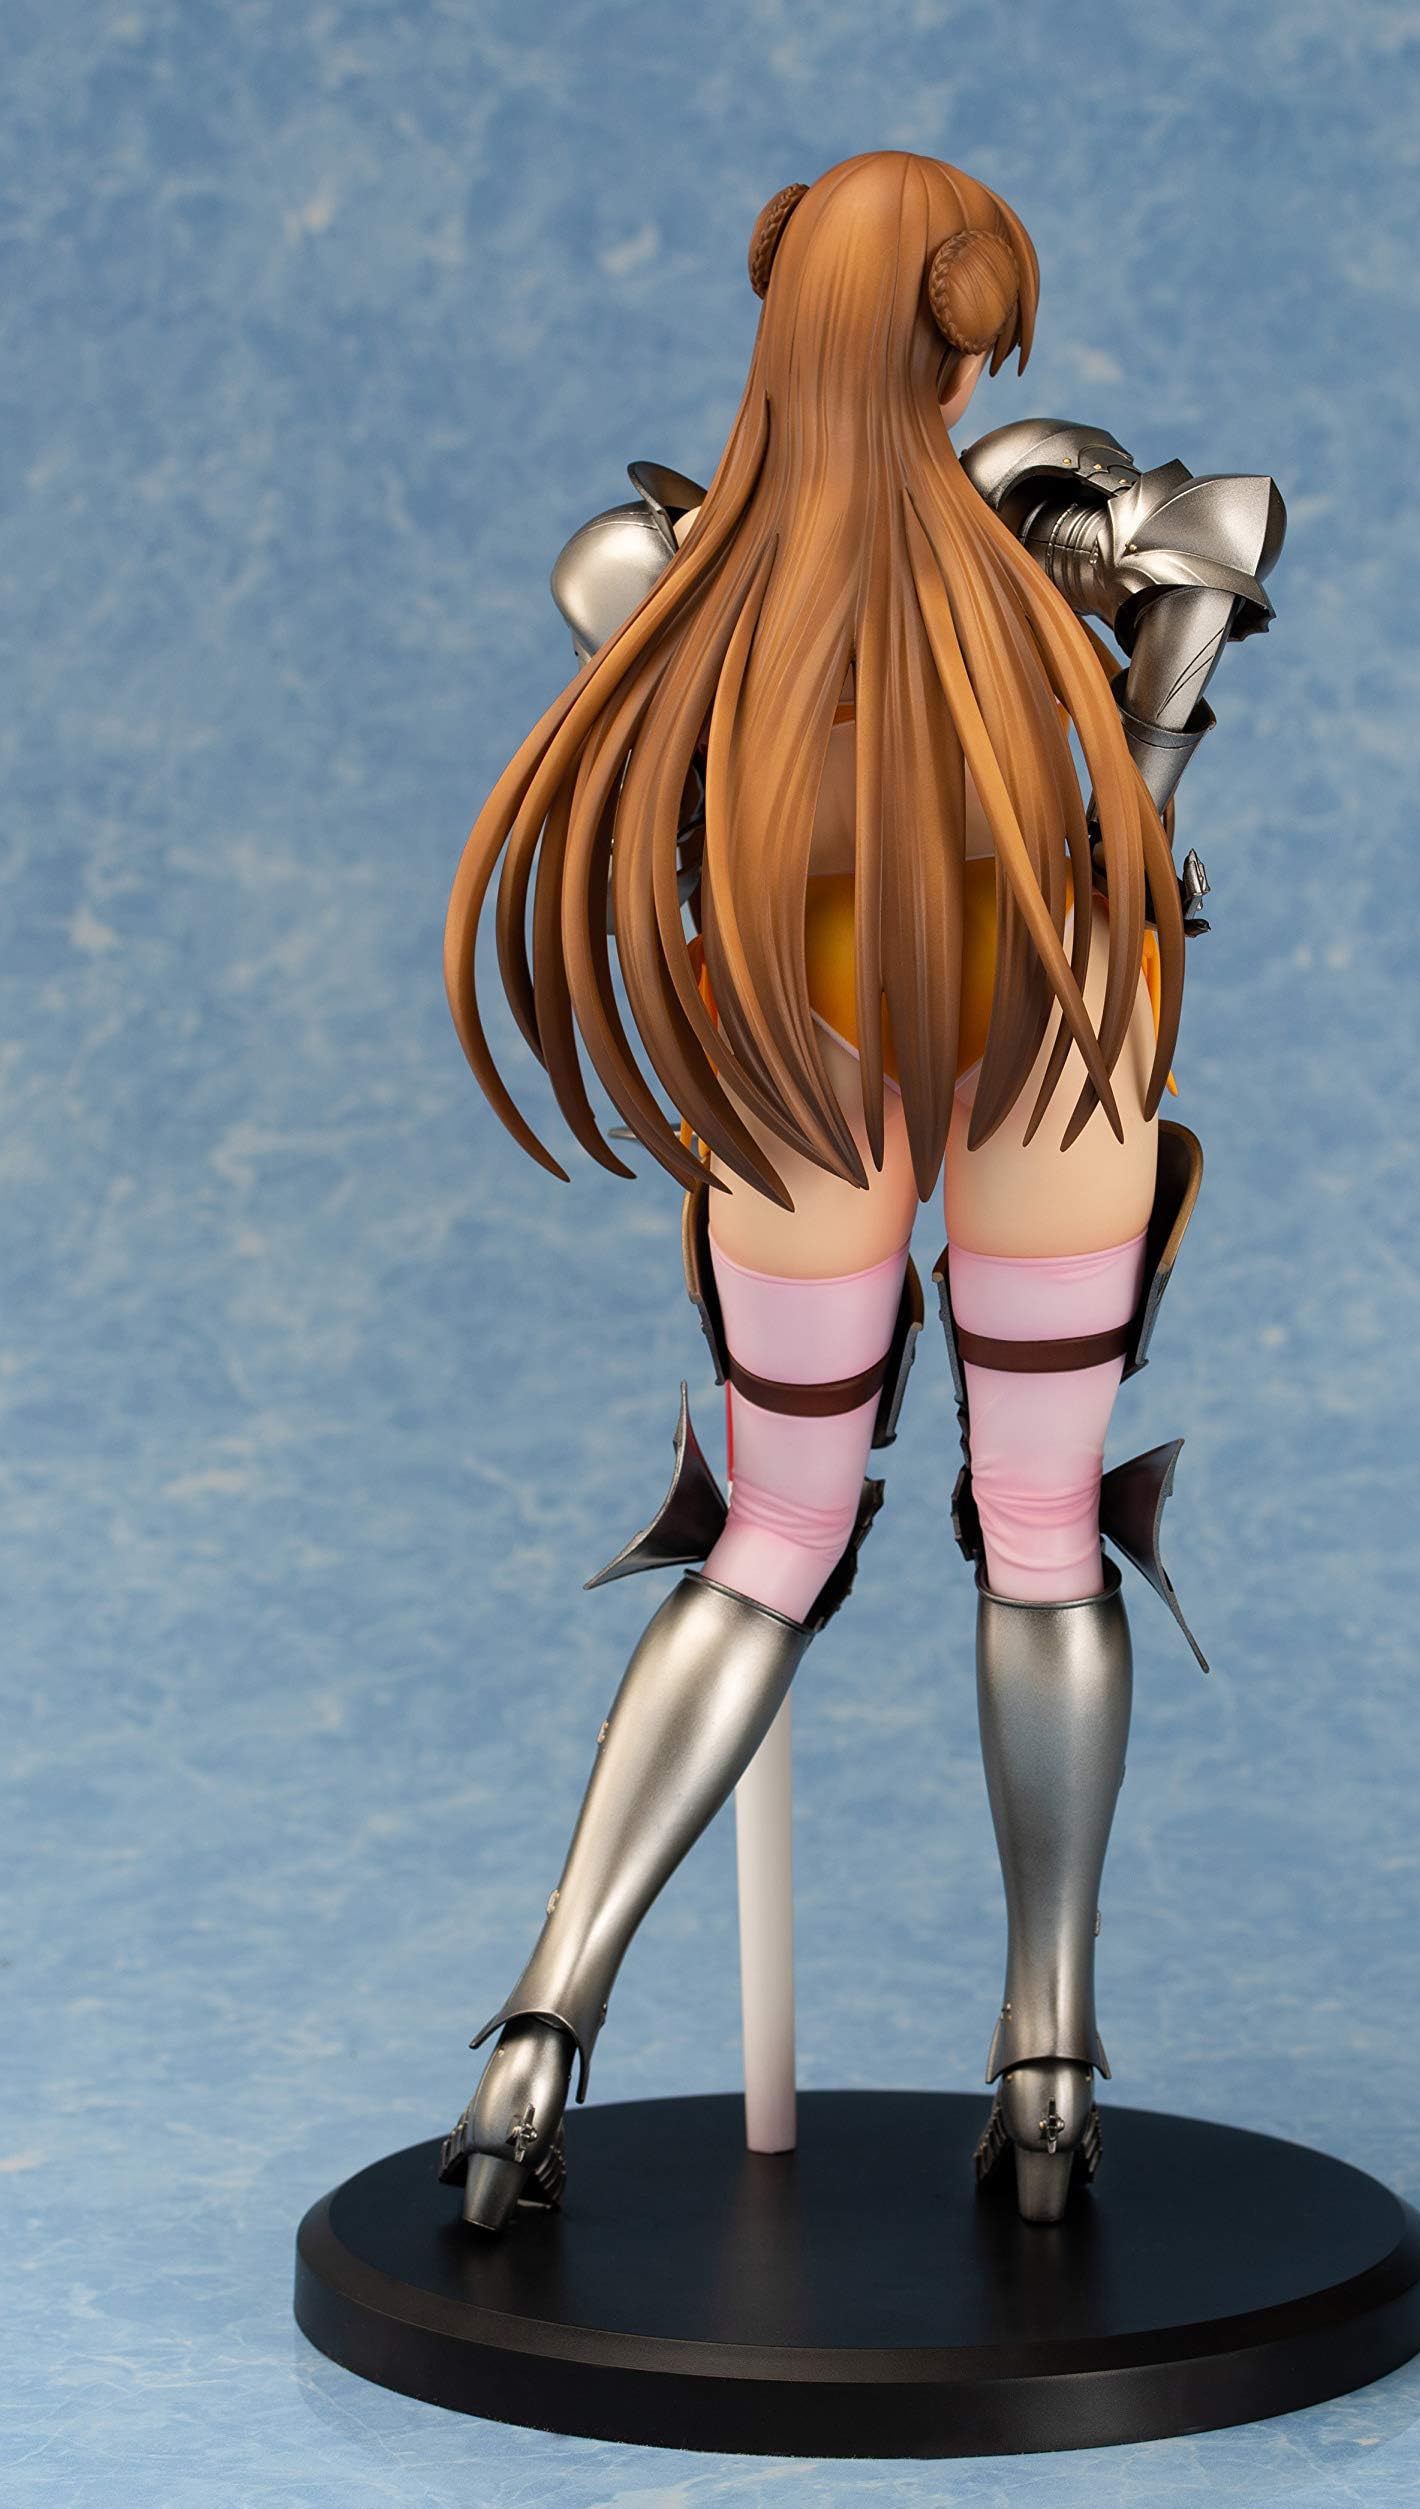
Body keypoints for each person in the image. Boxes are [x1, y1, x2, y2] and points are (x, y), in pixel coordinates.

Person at [439, 149, 1284, 2230]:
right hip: (1050, 1017)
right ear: (963, 335)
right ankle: (1048, 2060)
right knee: (1043, 1528)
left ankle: (537, 2033)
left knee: (774, 1528)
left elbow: (665, 825)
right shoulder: (1064, 528)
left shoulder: (662, 569)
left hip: (811, 1031)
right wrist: (1157, 691)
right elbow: (1152, 766)